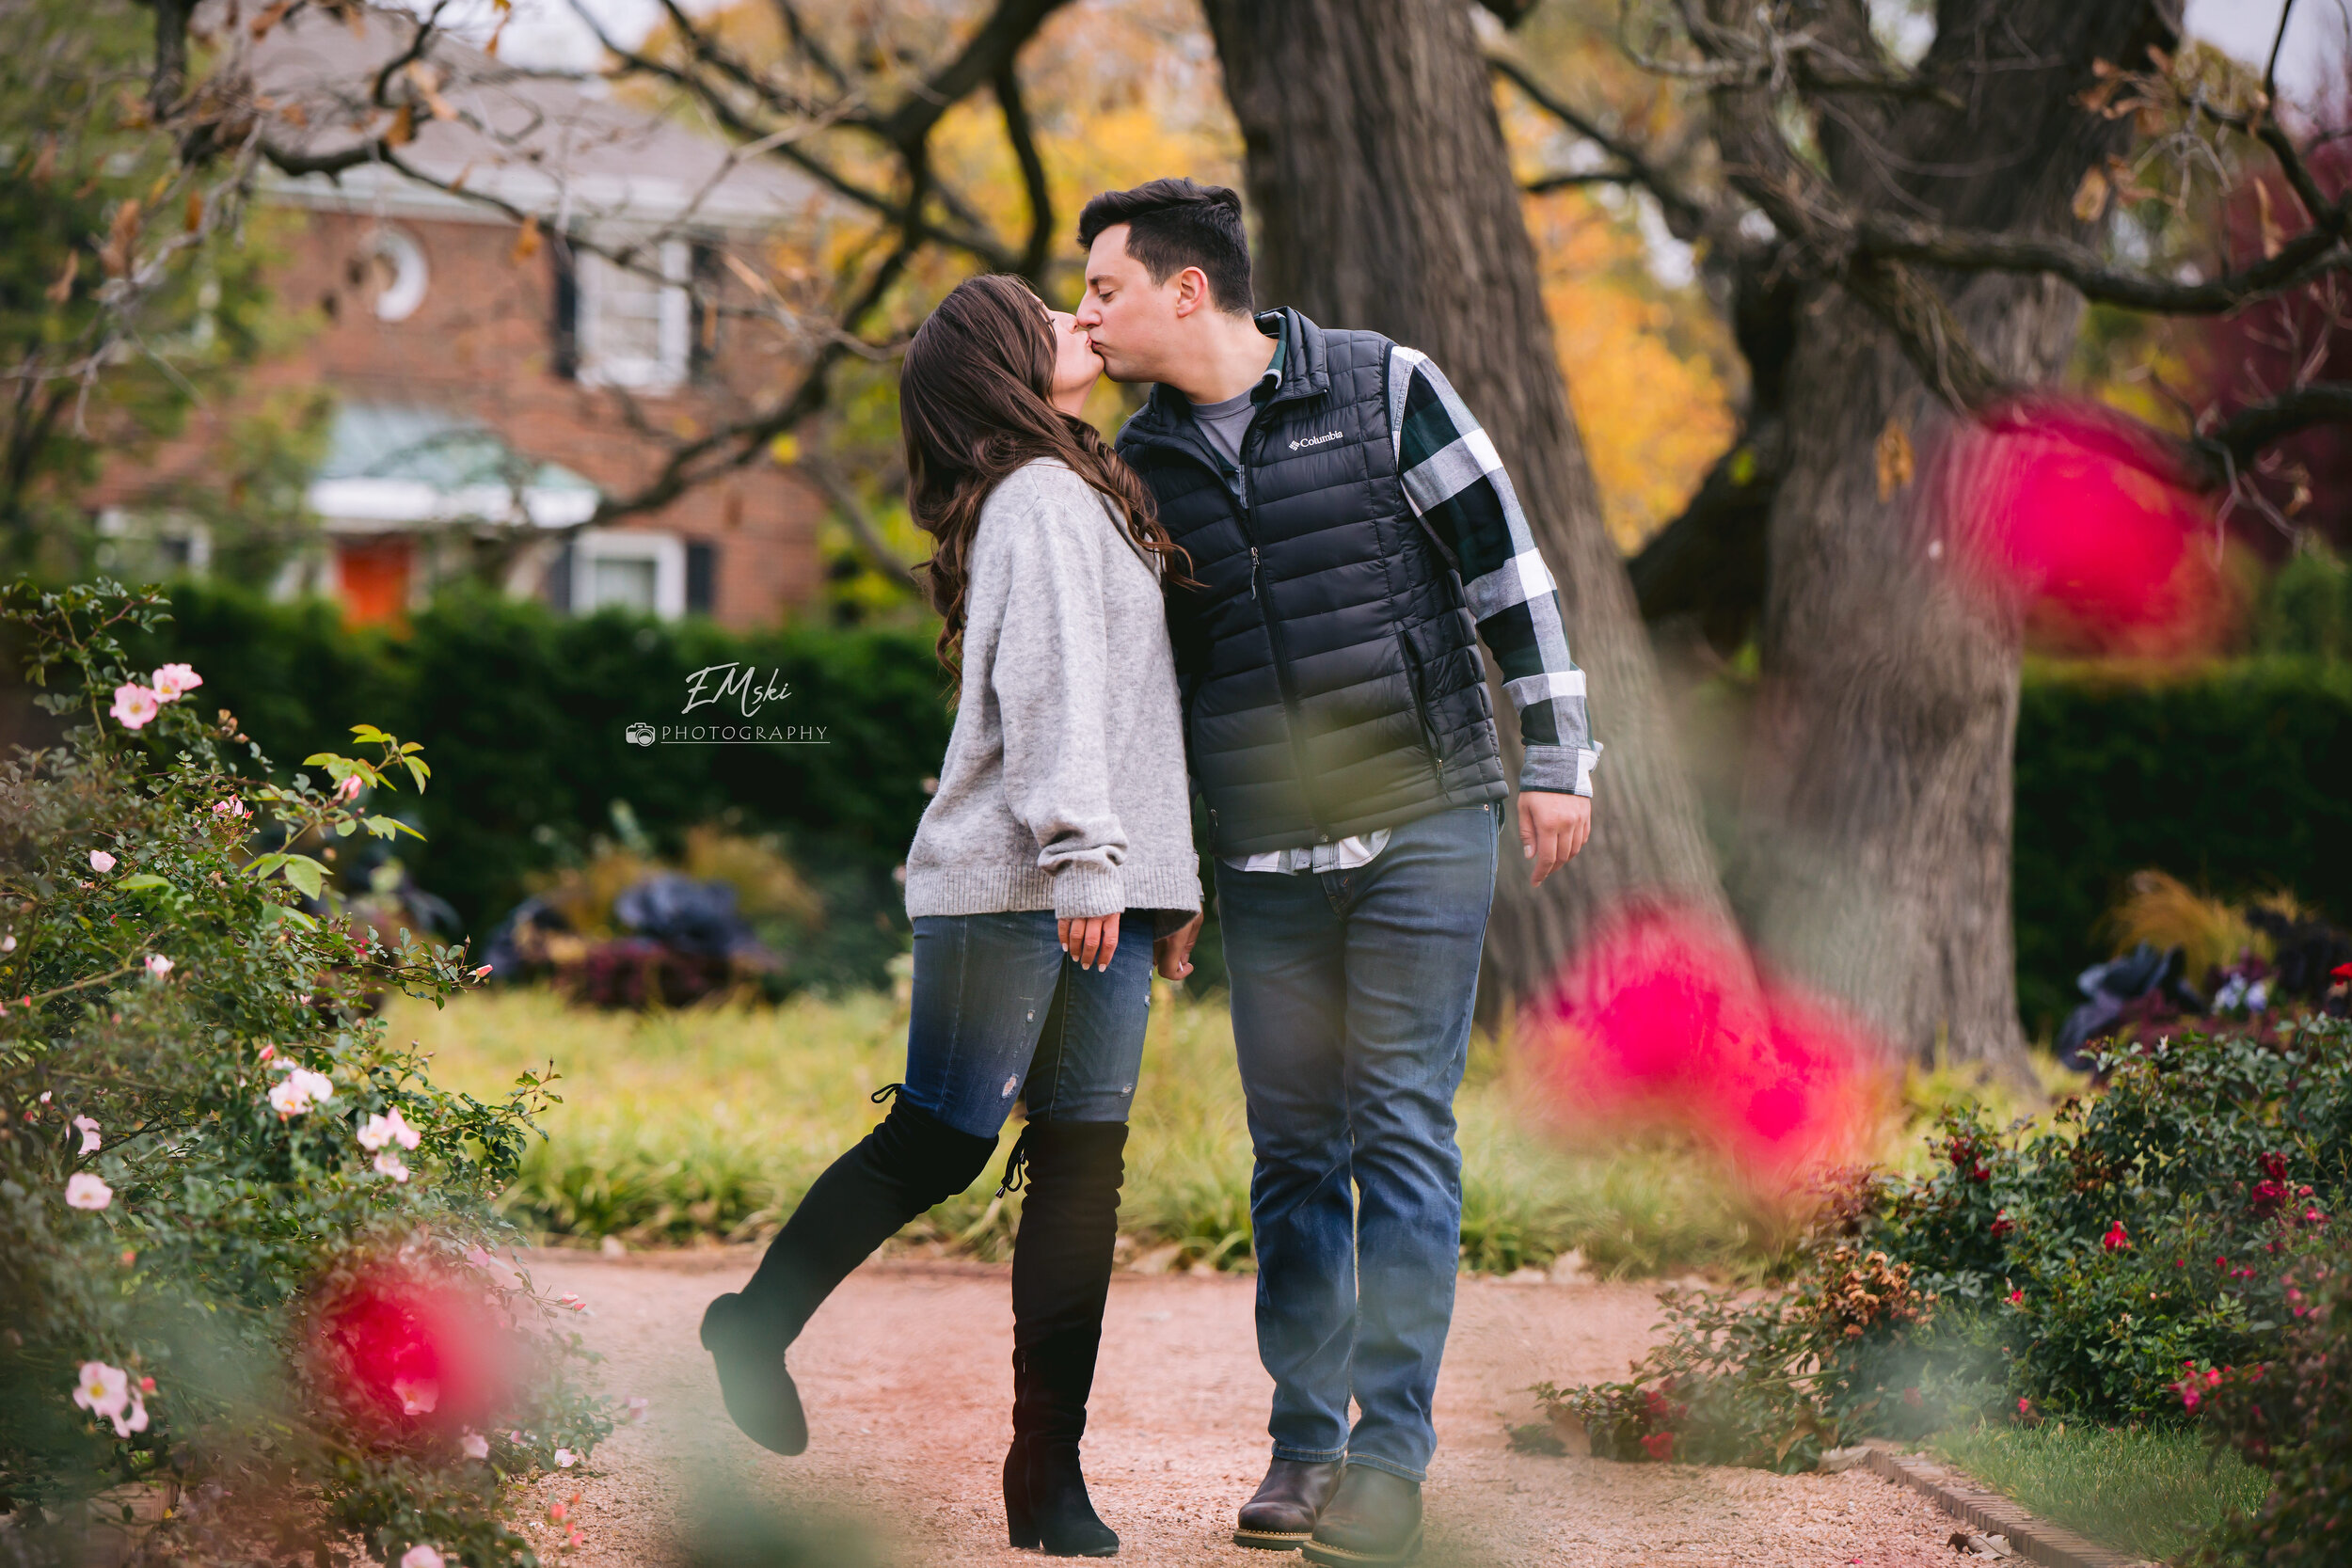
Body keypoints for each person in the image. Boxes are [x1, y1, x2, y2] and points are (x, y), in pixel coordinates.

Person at [1073, 179, 1597, 1568]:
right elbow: (1152, 690)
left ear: (1189, 288)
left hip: (1427, 814)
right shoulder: (1142, 462)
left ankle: (1391, 1458)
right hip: (1266, 852)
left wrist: (1558, 759)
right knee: (1296, 1152)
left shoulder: (1382, 386)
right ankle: (1305, 1447)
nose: (1088, 314)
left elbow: (1509, 574)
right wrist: (1169, 877)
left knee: (1400, 1128)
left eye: (1104, 289)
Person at [697, 273, 1202, 1560]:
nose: (1080, 320)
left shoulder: (1080, 489)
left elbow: (1138, 717)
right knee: (942, 1139)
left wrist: (1164, 883)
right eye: (1051, 315)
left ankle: (1048, 1475)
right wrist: (1091, 861)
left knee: (1082, 1171)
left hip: (1107, 887)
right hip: (1018, 881)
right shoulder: (1038, 499)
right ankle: (753, 1326)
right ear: (1001, 367)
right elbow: (1054, 697)